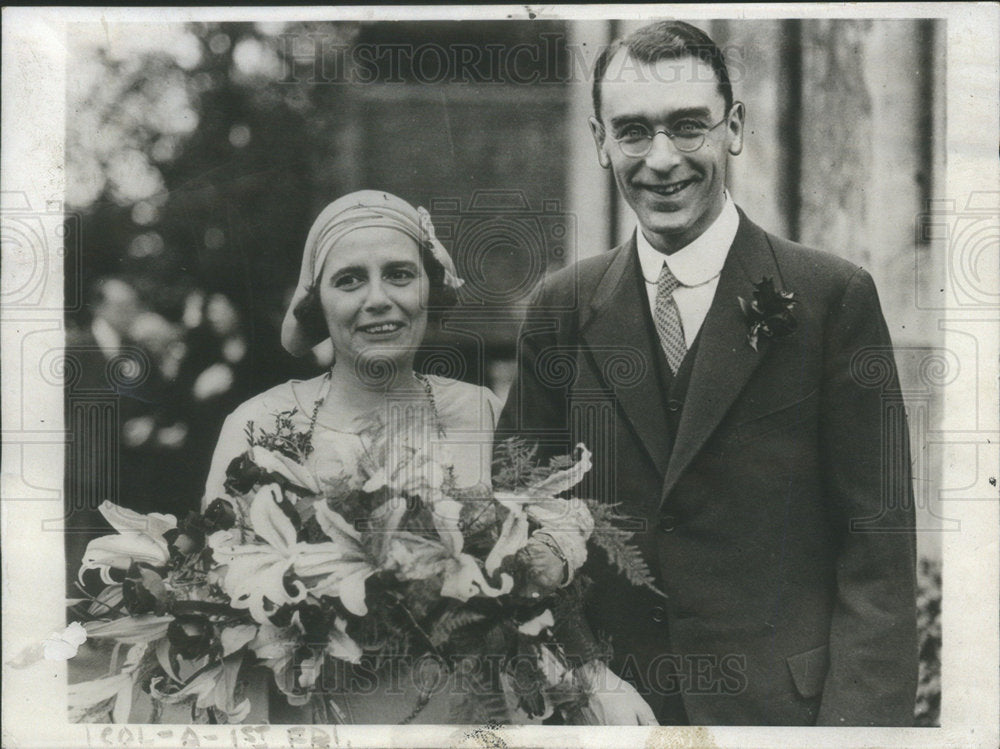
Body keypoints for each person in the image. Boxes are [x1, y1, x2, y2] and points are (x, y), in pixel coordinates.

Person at [496, 21, 918, 726]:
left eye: (688, 126)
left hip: (783, 718)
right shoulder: (561, 308)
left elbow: (876, 555)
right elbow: (512, 522)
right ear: (600, 141)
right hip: (607, 720)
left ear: (735, 128)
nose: (662, 159)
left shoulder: (829, 298)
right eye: (632, 132)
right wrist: (582, 673)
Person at [202, 190, 655, 724]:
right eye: (350, 280)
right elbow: (221, 613)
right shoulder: (257, 428)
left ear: (428, 289)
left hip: (474, 718)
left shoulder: (484, 412)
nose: (378, 299)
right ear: (318, 303)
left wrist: (595, 678)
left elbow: (537, 582)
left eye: (398, 274)